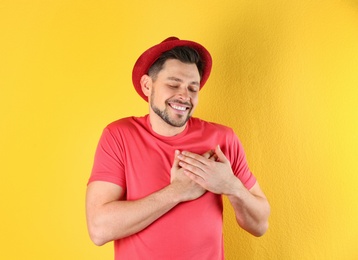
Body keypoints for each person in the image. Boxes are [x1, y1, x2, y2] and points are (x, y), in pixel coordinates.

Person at [86, 37, 270, 259]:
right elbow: (99, 229)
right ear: (147, 85)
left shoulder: (222, 139)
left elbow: (259, 225)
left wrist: (231, 186)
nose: (185, 96)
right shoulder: (119, 135)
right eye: (173, 84)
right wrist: (177, 192)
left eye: (193, 88)